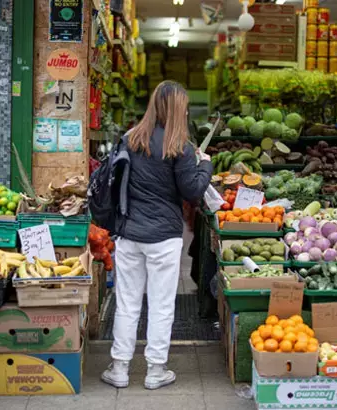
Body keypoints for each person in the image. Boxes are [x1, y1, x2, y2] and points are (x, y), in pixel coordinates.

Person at [101, 81, 213, 390]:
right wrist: (206, 165)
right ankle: (155, 371)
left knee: (127, 303)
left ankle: (120, 369)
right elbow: (192, 191)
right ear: (178, 109)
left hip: (129, 232)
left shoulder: (129, 139)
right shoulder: (180, 146)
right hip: (163, 237)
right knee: (162, 305)